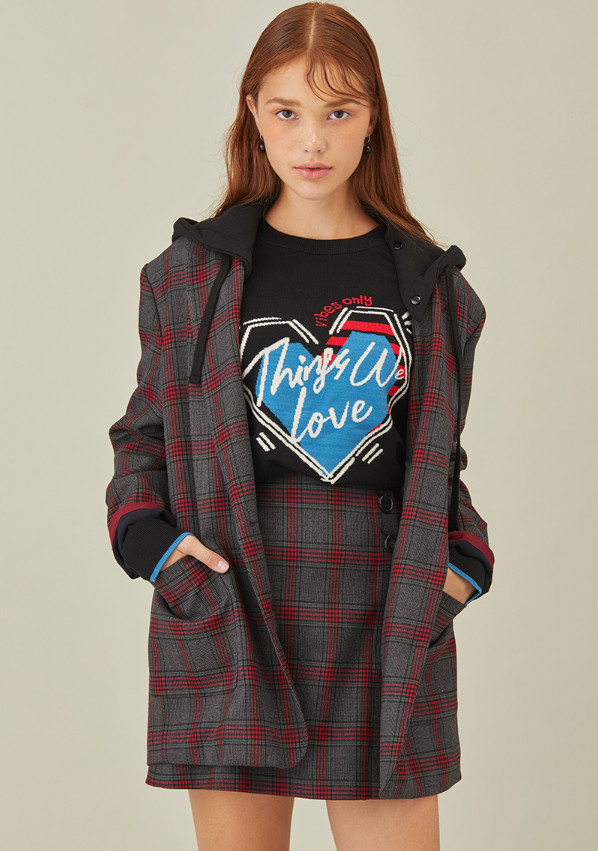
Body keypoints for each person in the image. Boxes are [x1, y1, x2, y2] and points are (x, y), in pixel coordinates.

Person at [105, 3, 495, 849]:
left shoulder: (434, 291)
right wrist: (157, 549)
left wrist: (463, 564)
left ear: (373, 117)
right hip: (234, 601)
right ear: (253, 113)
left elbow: (439, 459)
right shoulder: (187, 278)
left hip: (385, 613)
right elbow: (144, 440)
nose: (312, 140)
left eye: (339, 111)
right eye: (287, 111)